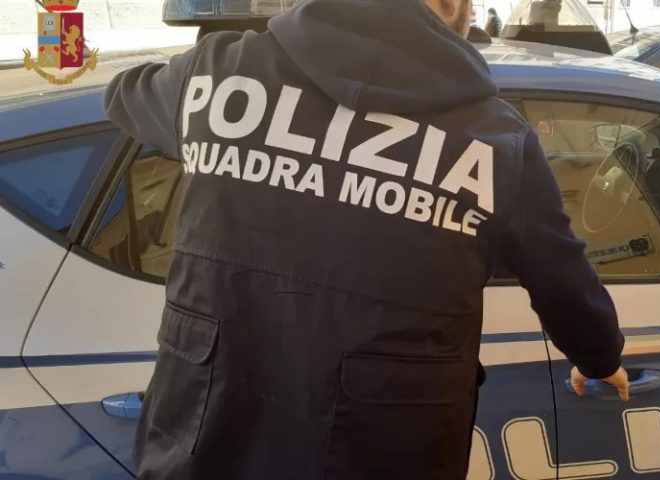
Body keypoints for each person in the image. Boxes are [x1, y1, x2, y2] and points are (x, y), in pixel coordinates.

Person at [103, 0, 627, 478]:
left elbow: (123, 95)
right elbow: (562, 280)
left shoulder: (217, 75)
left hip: (205, 448)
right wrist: (600, 359)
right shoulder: (495, 142)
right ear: (450, 6)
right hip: (384, 446)